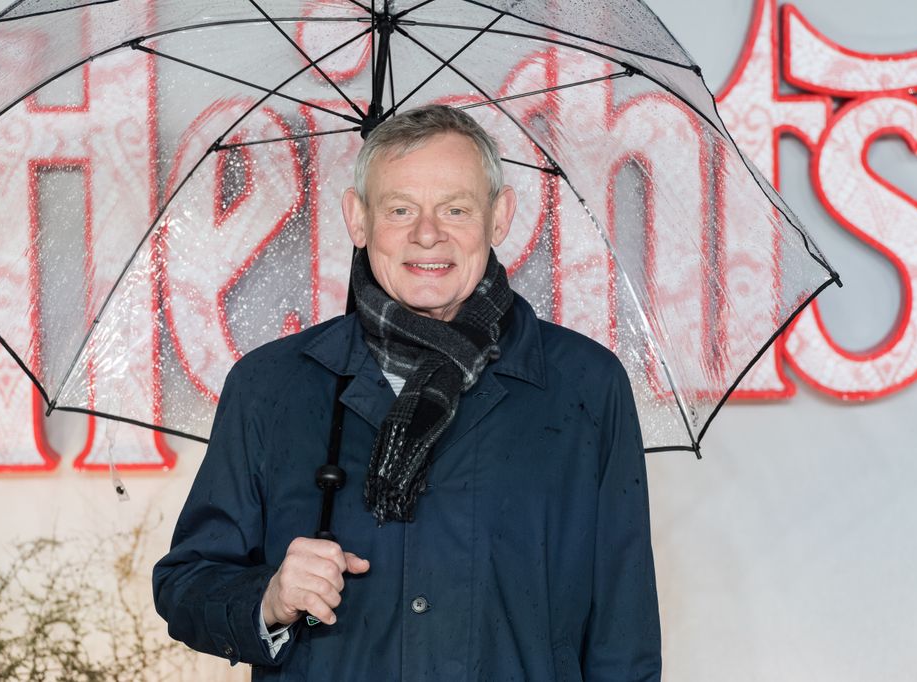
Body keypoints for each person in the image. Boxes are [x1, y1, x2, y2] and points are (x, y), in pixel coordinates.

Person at [153, 105, 661, 681]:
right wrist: (269, 598)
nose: (427, 234)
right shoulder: (271, 386)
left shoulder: (584, 387)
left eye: (456, 209)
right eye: (400, 209)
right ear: (357, 219)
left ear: (499, 218)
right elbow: (186, 583)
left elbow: (625, 633)